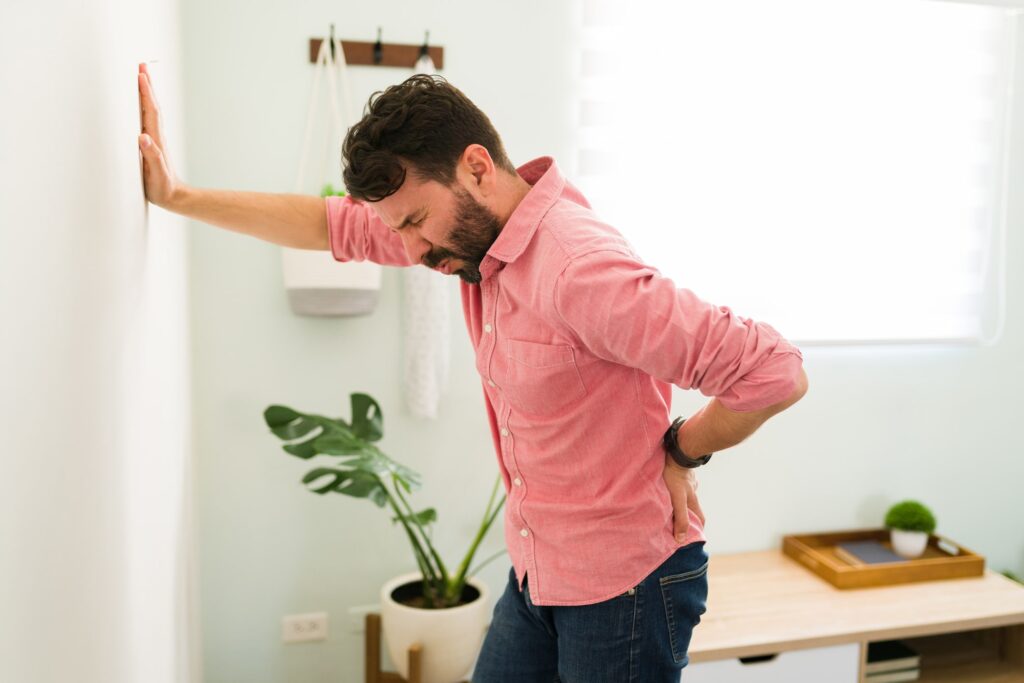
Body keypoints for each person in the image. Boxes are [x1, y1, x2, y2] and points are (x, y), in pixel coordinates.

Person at [138, 64, 808, 682]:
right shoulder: (472, 243)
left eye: (415, 222)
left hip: (626, 585)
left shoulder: (578, 269)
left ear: (478, 167)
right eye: (396, 229)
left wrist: (682, 446)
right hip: (539, 570)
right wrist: (177, 196)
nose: (408, 249)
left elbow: (772, 369)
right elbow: (326, 225)